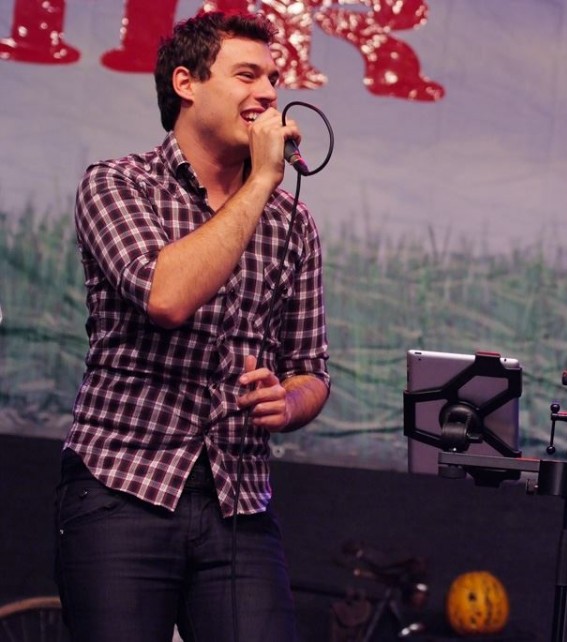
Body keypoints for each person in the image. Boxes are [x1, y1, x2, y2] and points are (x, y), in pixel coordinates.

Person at [55, 11, 330, 641]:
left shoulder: (293, 224)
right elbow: (166, 296)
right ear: (186, 83)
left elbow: (312, 370)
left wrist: (288, 402)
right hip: (122, 486)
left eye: (273, 78)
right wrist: (262, 180)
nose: (268, 93)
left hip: (239, 502)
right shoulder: (119, 184)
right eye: (247, 75)